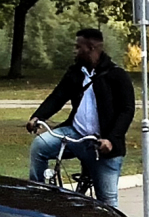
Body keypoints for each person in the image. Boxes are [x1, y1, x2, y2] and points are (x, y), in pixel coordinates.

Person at [25, 28, 135, 207]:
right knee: (39, 146)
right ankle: (38, 194)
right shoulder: (75, 72)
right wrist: (38, 117)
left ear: (91, 48)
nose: (74, 51)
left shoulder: (117, 76)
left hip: (102, 146)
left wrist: (111, 140)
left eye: (78, 47)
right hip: (75, 134)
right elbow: (58, 96)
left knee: (107, 202)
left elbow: (127, 111)